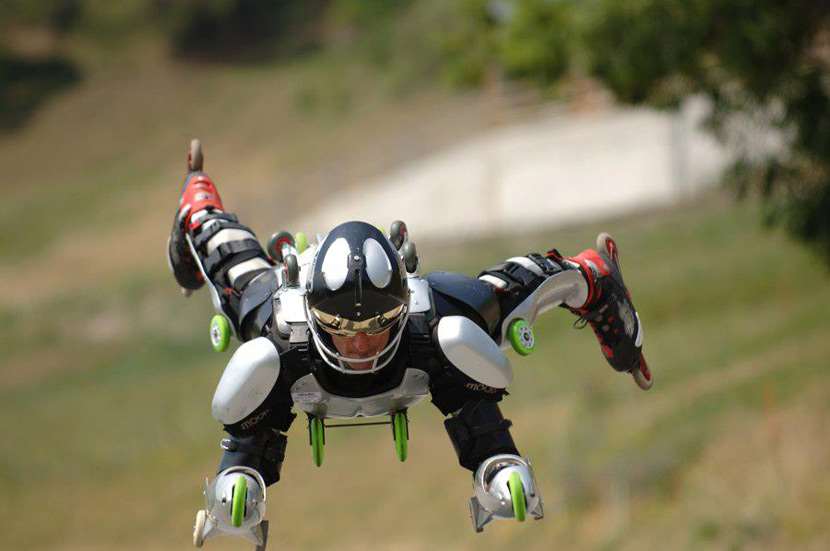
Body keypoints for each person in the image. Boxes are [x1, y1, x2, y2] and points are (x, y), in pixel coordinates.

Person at [168, 141, 652, 549]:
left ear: (401, 309)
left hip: (428, 327)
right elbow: (251, 428)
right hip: (287, 309)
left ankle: (595, 276)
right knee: (229, 259)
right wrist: (238, 475)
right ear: (314, 317)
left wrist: (497, 460)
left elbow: (473, 405)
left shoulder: (436, 324)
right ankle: (197, 193)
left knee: (507, 294)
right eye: (341, 328)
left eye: (376, 326)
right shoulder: (276, 330)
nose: (359, 343)